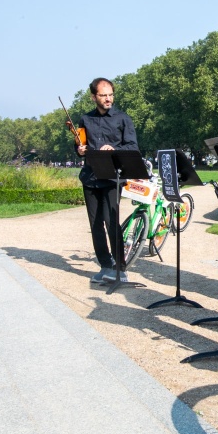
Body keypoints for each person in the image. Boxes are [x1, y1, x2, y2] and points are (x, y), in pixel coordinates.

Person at [76, 77, 140, 283]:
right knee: (95, 224)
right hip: (90, 177)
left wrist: (115, 149)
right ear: (93, 96)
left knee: (111, 222)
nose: (108, 99)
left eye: (110, 94)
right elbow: (80, 144)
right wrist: (79, 149)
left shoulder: (123, 119)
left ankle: (121, 268)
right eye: (103, 95)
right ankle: (105, 265)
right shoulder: (85, 120)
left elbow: (132, 147)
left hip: (113, 177)